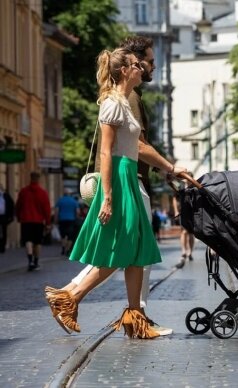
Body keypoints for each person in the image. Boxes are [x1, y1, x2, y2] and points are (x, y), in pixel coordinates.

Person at [45, 43, 186, 337]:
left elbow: (136, 146)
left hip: (129, 177)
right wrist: (107, 196)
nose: (142, 68)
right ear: (125, 71)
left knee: (137, 251)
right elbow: (106, 153)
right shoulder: (111, 103)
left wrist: (170, 168)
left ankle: (135, 319)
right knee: (120, 250)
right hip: (120, 178)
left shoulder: (126, 101)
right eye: (137, 64)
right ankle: (69, 297)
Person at [16, 172, 51, 271]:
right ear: (38, 179)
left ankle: (30, 261)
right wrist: (48, 222)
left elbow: (18, 206)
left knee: (28, 240)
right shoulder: (42, 192)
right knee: (37, 242)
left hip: (26, 220)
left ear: (30, 178)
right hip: (38, 221)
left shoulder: (23, 191)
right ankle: (36, 261)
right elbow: (46, 209)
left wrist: (19, 217)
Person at [54, 188, 80, 257]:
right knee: (70, 236)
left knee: (63, 236)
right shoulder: (74, 201)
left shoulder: (60, 201)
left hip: (62, 220)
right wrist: (76, 218)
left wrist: (55, 220)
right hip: (71, 220)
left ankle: (63, 249)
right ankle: (68, 250)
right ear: (70, 194)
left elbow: (56, 211)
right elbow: (77, 212)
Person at [0, 184, 15, 253]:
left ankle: (2, 246)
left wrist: (11, 217)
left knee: (4, 231)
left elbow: (11, 205)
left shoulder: (6, 196)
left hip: (4, 216)